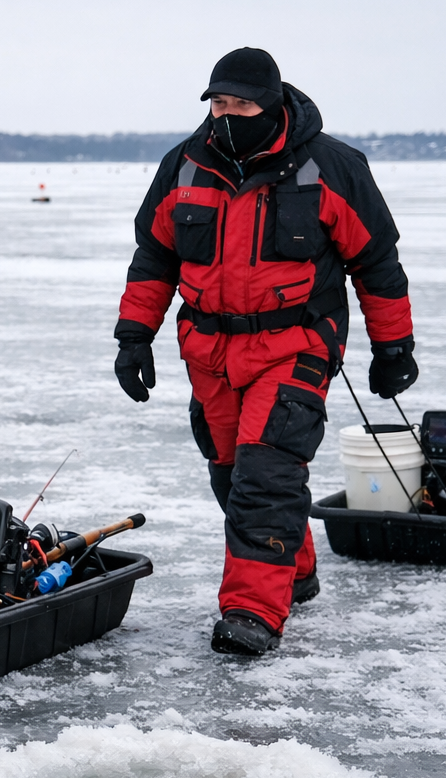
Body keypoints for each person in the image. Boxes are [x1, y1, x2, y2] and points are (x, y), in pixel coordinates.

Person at [113, 48, 417, 657]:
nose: (227, 115)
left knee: (267, 476)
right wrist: (133, 335)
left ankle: (252, 609)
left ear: (272, 103)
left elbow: (376, 263)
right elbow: (155, 258)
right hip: (208, 350)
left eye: (241, 104)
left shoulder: (332, 166)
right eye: (218, 103)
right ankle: (294, 570)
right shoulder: (185, 166)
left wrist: (393, 346)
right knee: (232, 476)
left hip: (296, 344)